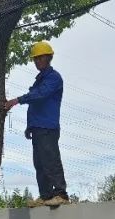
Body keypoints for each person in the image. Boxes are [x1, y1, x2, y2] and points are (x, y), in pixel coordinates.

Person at [4, 41, 69, 207]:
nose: (37, 61)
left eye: (40, 58)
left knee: (50, 160)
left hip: (48, 127)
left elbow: (40, 95)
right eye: (35, 59)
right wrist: (29, 126)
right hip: (38, 127)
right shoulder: (39, 80)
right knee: (39, 163)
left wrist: (17, 100)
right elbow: (36, 104)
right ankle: (46, 195)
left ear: (48, 58)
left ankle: (61, 193)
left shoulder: (53, 78)